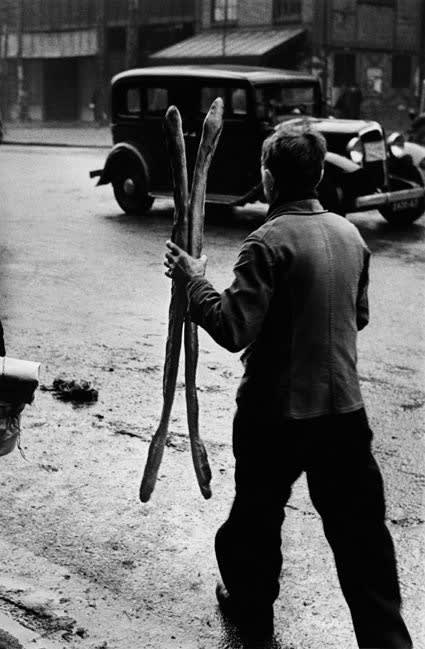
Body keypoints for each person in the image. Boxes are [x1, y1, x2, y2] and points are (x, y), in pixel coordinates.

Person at [163, 122, 413, 648]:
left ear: (269, 179)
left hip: (274, 415)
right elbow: (357, 316)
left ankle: (252, 610)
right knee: (362, 536)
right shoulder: (351, 235)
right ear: (319, 174)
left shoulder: (267, 241)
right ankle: (388, 640)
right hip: (344, 412)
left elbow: (234, 329)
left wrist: (194, 281)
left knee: (255, 517)